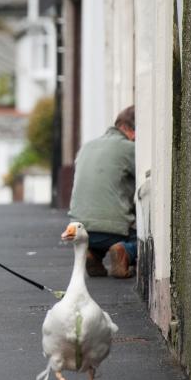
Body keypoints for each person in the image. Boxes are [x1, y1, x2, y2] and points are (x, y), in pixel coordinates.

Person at [67, 105, 137, 279]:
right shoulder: (129, 148)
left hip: (80, 230)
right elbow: (144, 179)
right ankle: (124, 252)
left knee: (98, 230)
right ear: (133, 131)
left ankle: (91, 254)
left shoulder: (87, 146)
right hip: (112, 231)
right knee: (143, 239)